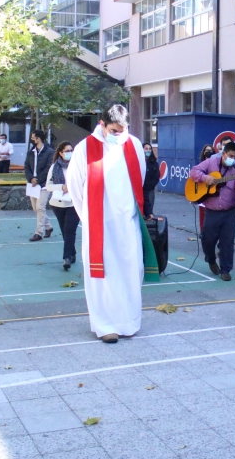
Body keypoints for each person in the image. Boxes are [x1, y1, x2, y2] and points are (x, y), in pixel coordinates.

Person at [67, 105, 148, 343]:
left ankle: (129, 322)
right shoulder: (85, 148)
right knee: (103, 274)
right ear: (102, 124)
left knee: (130, 270)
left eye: (123, 130)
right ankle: (105, 326)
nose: (119, 135)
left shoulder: (133, 145)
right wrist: (89, 217)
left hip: (127, 221)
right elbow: (75, 185)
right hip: (99, 222)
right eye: (114, 130)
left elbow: (139, 179)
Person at [189, 141, 235, 281]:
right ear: (223, 154)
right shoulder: (211, 162)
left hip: (229, 211)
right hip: (212, 210)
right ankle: (210, 260)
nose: (232, 159)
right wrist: (205, 177)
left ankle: (226, 270)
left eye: (234, 156)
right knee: (207, 240)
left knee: (227, 242)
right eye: (230, 155)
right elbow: (193, 172)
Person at [46, 142, 80, 271]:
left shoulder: (78, 166)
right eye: (66, 151)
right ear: (60, 152)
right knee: (64, 230)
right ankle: (72, 252)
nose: (69, 153)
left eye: (71, 150)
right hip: (58, 203)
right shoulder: (55, 167)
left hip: (73, 203)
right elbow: (48, 185)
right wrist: (62, 187)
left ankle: (66, 258)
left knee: (70, 230)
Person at [24, 129, 53, 242]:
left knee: (40, 207)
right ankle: (48, 227)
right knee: (36, 209)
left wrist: (38, 180)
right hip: (33, 184)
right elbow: (26, 166)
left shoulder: (50, 152)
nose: (32, 140)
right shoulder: (31, 151)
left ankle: (38, 233)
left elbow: (48, 168)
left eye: (33, 137)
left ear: (38, 138)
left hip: (45, 184)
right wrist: (31, 178)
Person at [196, 144, 216, 232]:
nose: (208, 152)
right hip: (202, 191)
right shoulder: (200, 164)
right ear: (203, 152)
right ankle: (202, 231)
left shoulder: (216, 164)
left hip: (212, 192)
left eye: (210, 150)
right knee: (202, 213)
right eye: (207, 150)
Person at [142, 143, 160, 218]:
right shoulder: (140, 161)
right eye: (146, 149)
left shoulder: (153, 163)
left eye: (149, 149)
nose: (148, 151)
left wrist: (151, 185)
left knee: (149, 207)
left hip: (149, 189)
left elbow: (156, 176)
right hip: (141, 188)